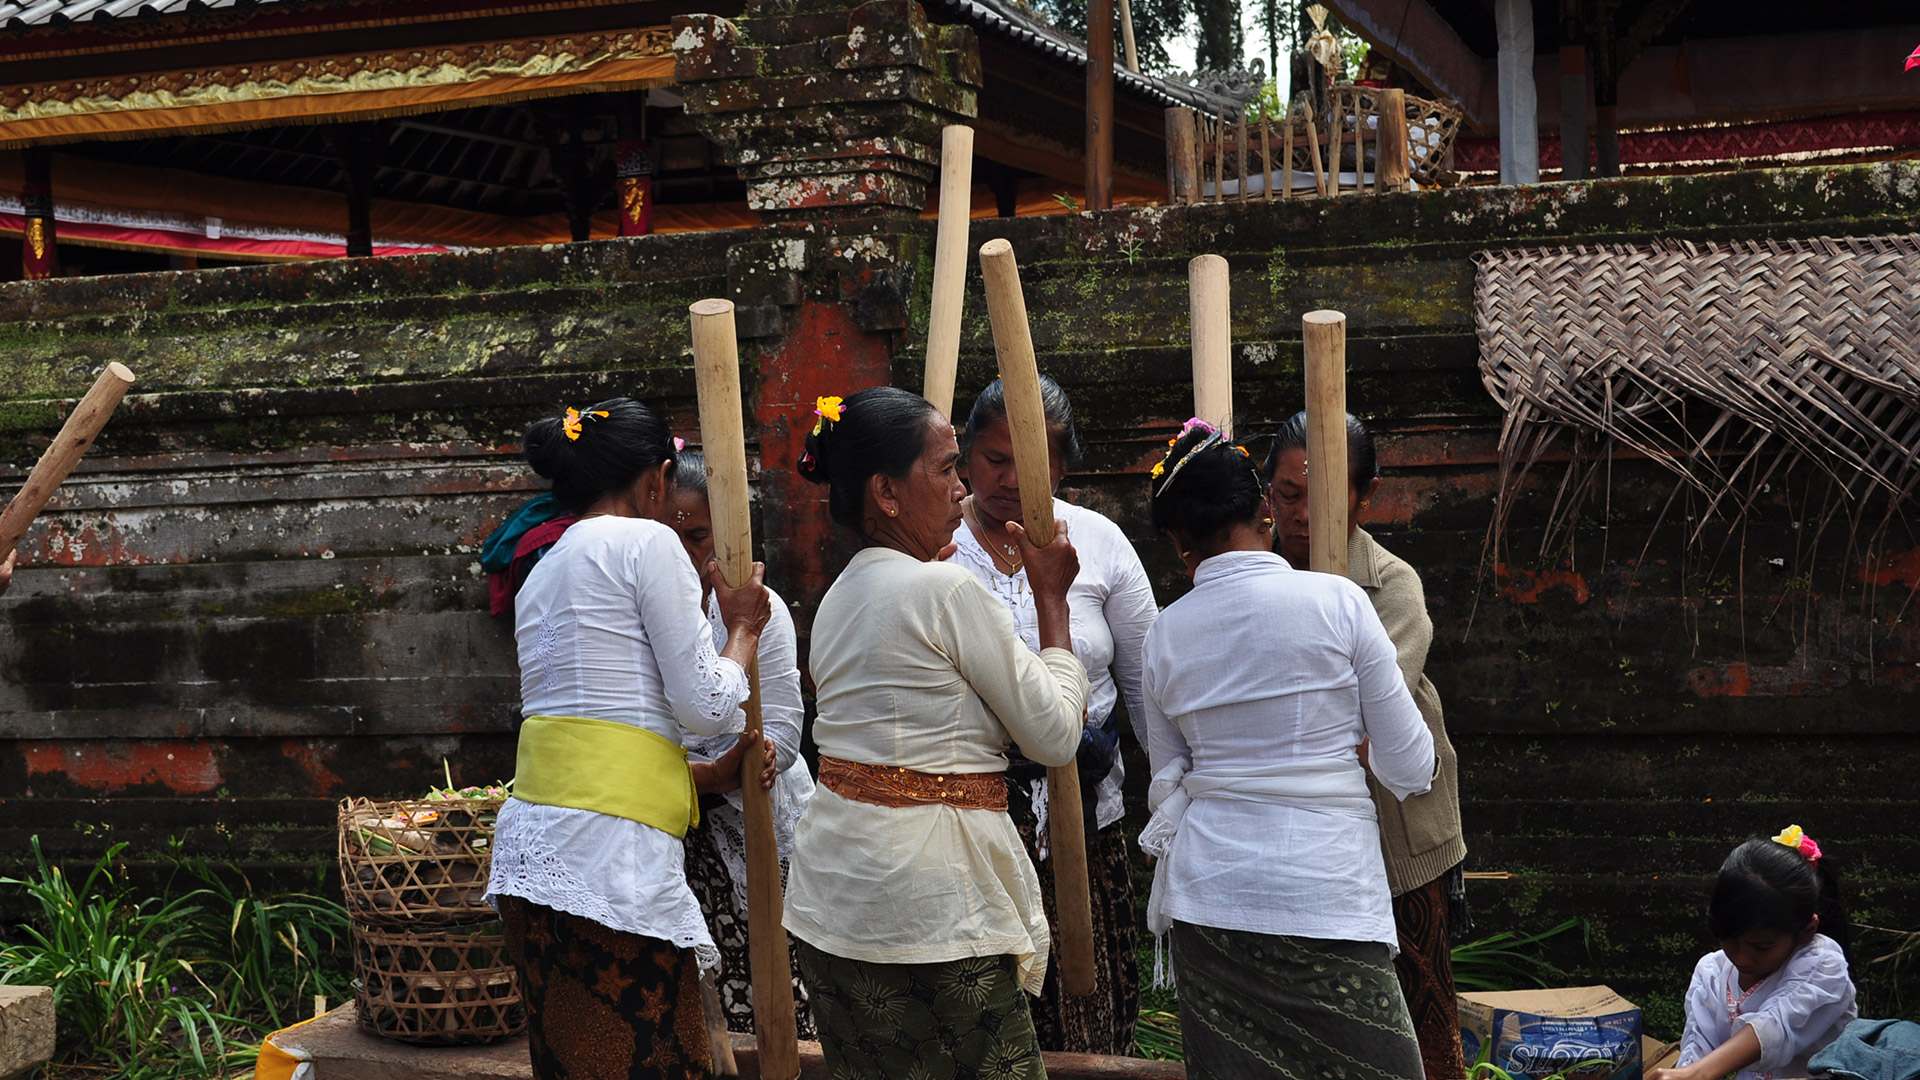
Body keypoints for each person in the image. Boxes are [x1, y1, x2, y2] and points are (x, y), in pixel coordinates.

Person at [781, 386, 1090, 1080]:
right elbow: (1054, 734)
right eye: (948, 469)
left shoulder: (838, 598)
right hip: (929, 910)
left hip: (835, 901)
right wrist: (1051, 601)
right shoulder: (945, 590)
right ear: (887, 495)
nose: (962, 490)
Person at [485, 399, 774, 1080]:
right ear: (656, 480)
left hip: (535, 851)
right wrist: (742, 629)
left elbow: (604, 730)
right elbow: (706, 707)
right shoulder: (648, 543)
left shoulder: (544, 565)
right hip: (609, 858)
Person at [1137, 418, 1435, 1080]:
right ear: (1265, 507)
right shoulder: (1340, 602)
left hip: (1209, 902)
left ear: (1179, 541)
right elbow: (1412, 766)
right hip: (1326, 893)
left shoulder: (1163, 635)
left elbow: (1167, 782)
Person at [953, 376, 1157, 1055]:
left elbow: (1147, 682)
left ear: (1064, 464)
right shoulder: (939, 551)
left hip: (1085, 812)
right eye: (994, 459)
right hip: (974, 822)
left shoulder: (1100, 544)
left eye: (1033, 462)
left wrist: (1165, 791)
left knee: (1088, 1003)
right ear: (964, 458)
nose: (1011, 479)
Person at [1264, 411, 1470, 1080]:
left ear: (1365, 496)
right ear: (1266, 493)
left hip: (1399, 837)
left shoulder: (1392, 586)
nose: (1302, 515)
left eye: (1324, 497)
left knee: (1424, 1011)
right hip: (1298, 842)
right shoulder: (1247, 581)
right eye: (1288, 495)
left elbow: (1356, 721)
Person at [665, 452, 818, 1039]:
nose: (685, 553)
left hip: (752, 819)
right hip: (670, 825)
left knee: (774, 996)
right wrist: (703, 773)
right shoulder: (644, 610)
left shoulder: (761, 612)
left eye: (699, 536)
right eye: (671, 535)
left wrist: (763, 753)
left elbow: (781, 720)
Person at [1650, 827, 1857, 1080]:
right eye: (1729, 939)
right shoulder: (1712, 973)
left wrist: (1695, 1075)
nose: (1742, 958)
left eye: (1762, 947)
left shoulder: (1823, 964)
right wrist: (1685, 1072)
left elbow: (1775, 1026)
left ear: (1806, 931)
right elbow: (1697, 1046)